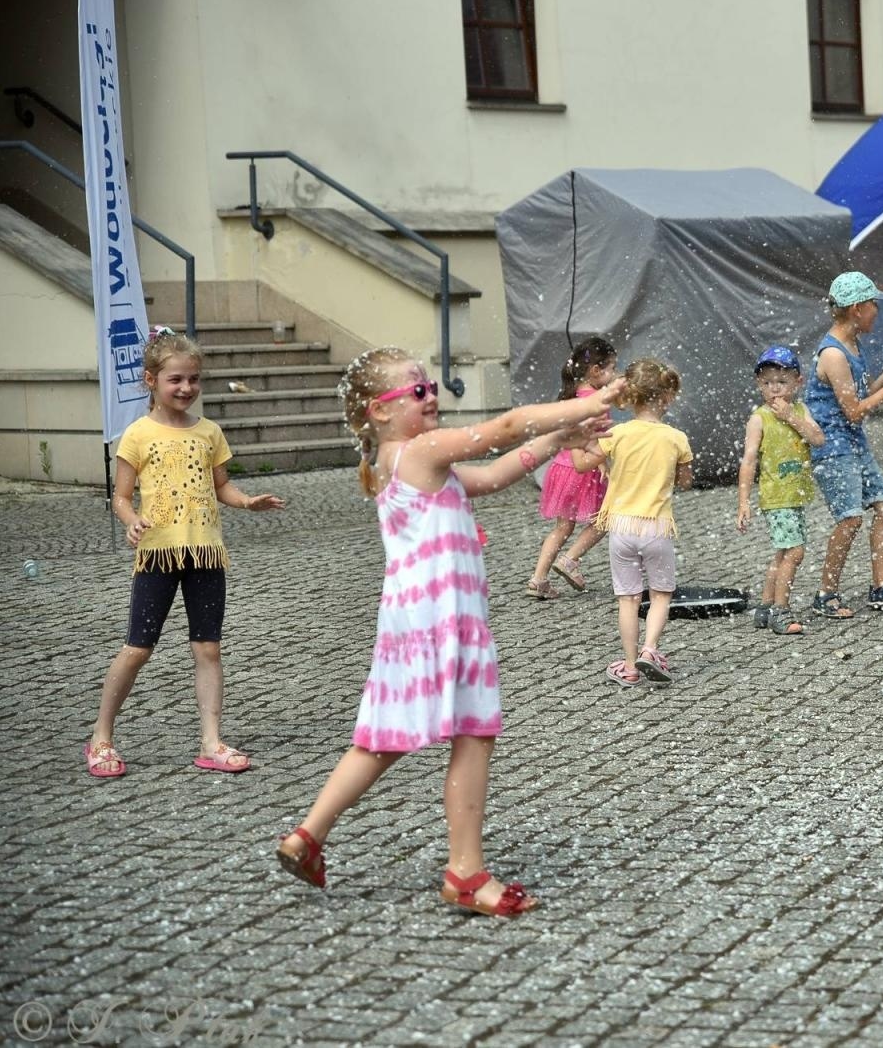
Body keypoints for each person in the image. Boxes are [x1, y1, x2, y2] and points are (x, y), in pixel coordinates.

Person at [275, 347, 616, 917]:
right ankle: (465, 872)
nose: (430, 395)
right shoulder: (421, 449)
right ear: (379, 412)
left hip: (410, 620)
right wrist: (582, 406)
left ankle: (308, 835)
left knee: (385, 737)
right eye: (415, 392)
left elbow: (486, 477)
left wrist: (555, 443)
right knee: (473, 730)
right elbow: (502, 429)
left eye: (430, 385)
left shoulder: (403, 458)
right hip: (446, 617)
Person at [85, 327, 285, 780]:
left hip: (206, 555)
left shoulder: (210, 432)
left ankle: (211, 742)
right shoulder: (136, 434)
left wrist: (247, 501)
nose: (186, 388)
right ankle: (101, 736)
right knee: (138, 647)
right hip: (158, 555)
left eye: (193, 379)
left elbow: (222, 487)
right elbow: (119, 496)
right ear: (151, 380)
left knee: (208, 647)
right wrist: (131, 520)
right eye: (176, 379)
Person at [571, 359, 693, 687]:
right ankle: (650, 650)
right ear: (666, 397)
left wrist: (575, 441)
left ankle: (628, 666)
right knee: (661, 594)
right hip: (656, 527)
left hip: (620, 527)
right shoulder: (676, 437)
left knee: (628, 599)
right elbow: (684, 482)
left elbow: (582, 464)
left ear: (632, 397)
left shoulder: (618, 433)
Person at [804, 271, 883, 619]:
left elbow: (859, 395)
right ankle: (826, 593)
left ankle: (881, 587)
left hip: (852, 441)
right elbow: (853, 411)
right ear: (856, 309)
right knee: (849, 519)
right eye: (873, 306)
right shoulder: (834, 354)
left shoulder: (853, 344)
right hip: (832, 447)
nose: (877, 313)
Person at [736, 346, 825, 636]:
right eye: (767, 382)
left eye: (782, 382)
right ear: (758, 384)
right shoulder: (759, 418)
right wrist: (743, 502)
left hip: (795, 495)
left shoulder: (800, 410)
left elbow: (818, 438)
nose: (774, 389)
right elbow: (749, 461)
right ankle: (781, 611)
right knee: (795, 553)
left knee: (782, 553)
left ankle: (764, 607)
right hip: (776, 498)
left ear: (797, 382)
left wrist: (791, 417)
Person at [527, 338, 617, 599]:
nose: (613, 376)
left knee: (562, 528)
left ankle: (538, 579)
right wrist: (604, 463)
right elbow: (596, 437)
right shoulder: (597, 401)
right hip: (586, 469)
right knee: (604, 519)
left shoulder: (570, 396)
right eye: (611, 369)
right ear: (596, 371)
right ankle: (570, 559)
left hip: (562, 469)